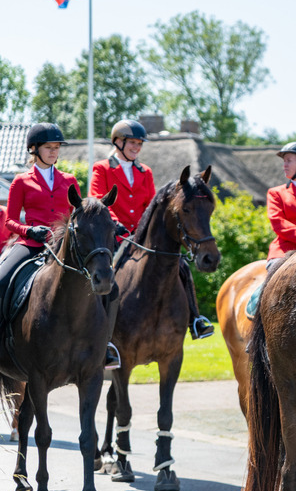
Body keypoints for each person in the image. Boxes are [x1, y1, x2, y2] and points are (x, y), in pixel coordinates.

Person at [0, 123, 120, 368]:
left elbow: (79, 215)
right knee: (1, 279)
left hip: (64, 249)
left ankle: (104, 344)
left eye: (56, 148)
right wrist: (29, 230)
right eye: (48, 148)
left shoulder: (69, 180)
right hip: (31, 244)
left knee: (112, 288)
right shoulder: (21, 182)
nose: (54, 152)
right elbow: (10, 221)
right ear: (34, 149)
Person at [90, 119, 214, 342]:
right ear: (118, 142)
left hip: (140, 236)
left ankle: (195, 320)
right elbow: (99, 201)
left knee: (182, 266)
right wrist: (116, 224)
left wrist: (143, 230)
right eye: (132, 143)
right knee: (106, 272)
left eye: (139, 144)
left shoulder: (145, 171)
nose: (137, 148)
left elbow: (150, 205)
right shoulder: (102, 168)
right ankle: (99, 333)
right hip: (114, 235)